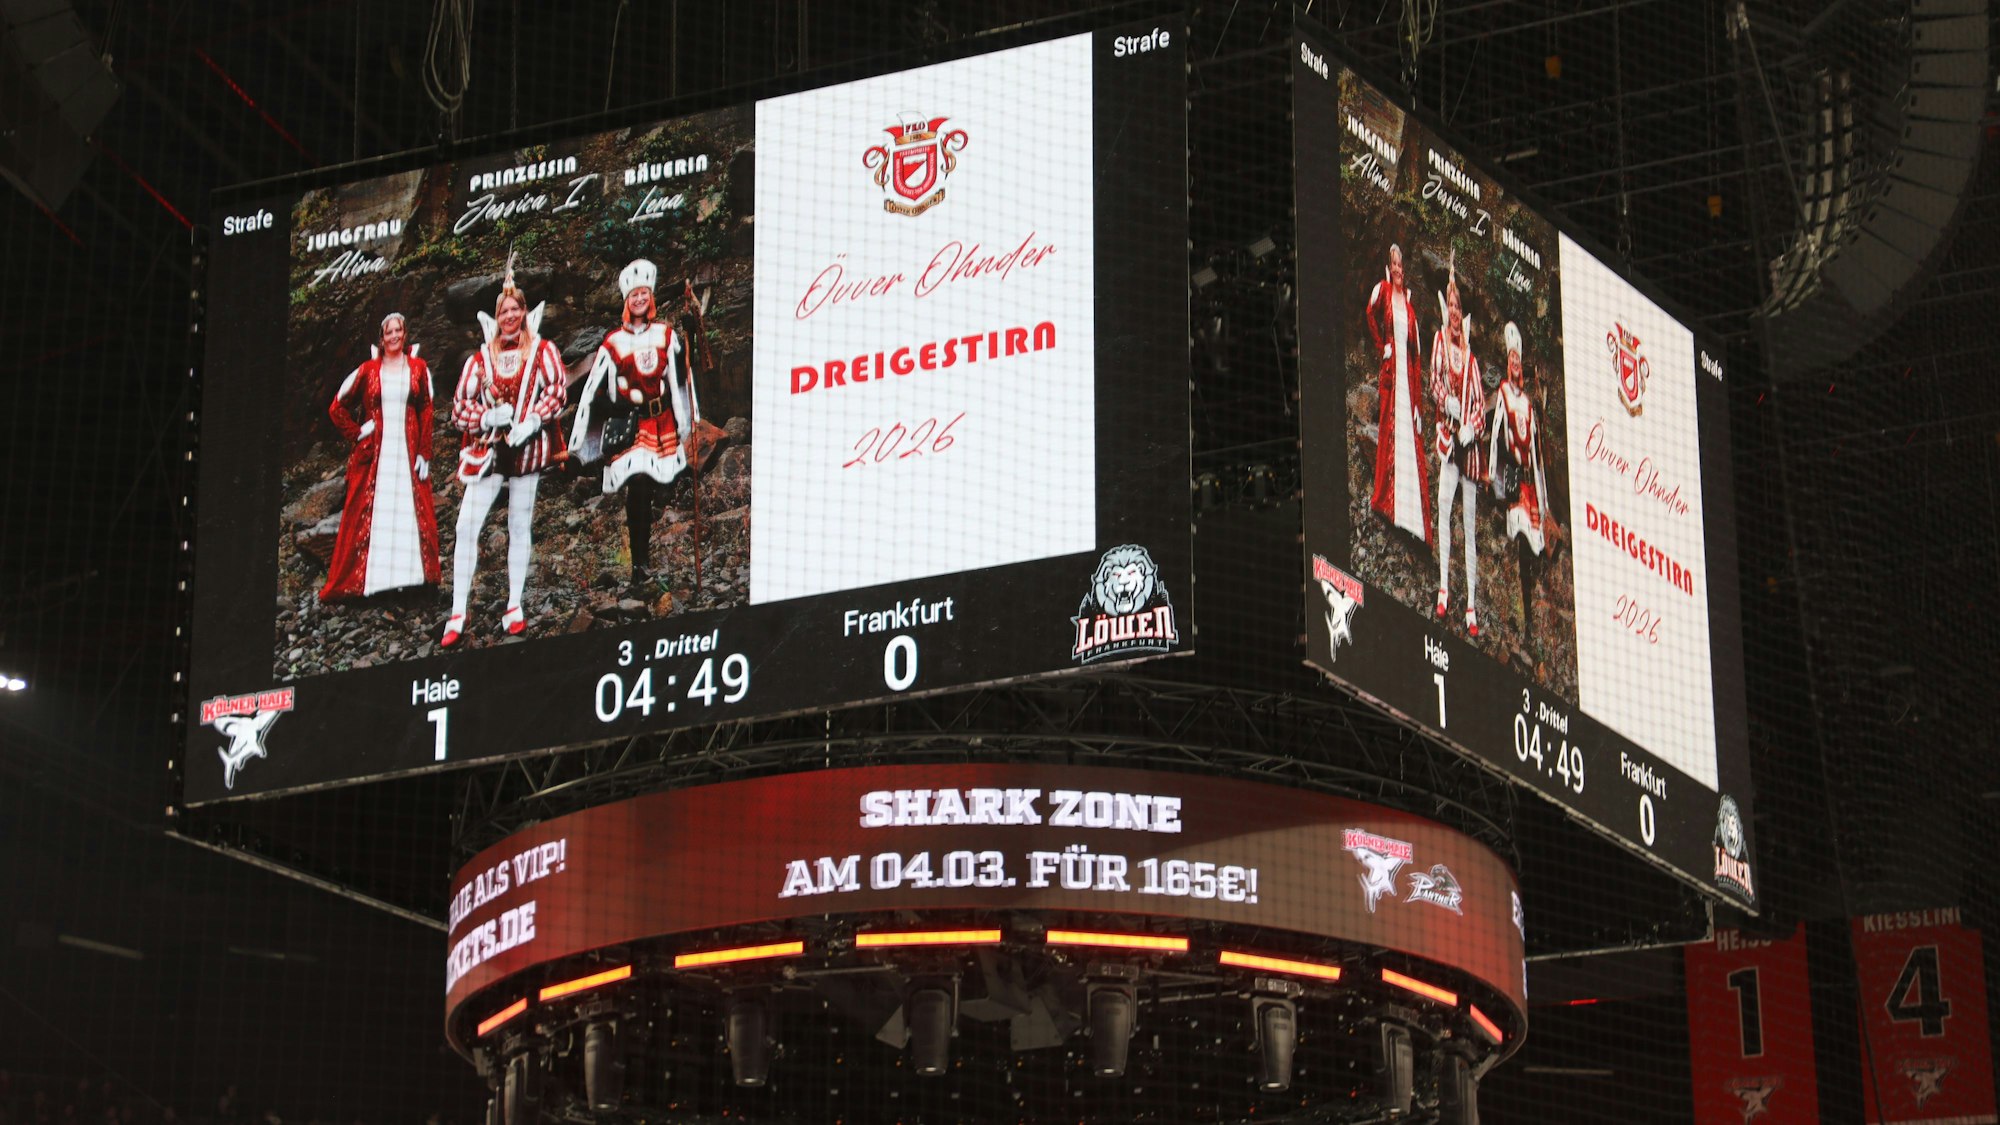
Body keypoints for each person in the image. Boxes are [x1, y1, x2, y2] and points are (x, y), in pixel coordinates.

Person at [443, 259, 566, 646]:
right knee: (466, 525)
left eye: (516, 309)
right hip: (488, 451)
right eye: (504, 311)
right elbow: (459, 407)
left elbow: (557, 390)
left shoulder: (542, 350)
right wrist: (487, 415)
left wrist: (533, 421)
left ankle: (514, 605)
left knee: (518, 524)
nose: (510, 315)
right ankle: (458, 611)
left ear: (525, 313)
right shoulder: (480, 359)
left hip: (527, 451)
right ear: (496, 318)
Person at [569, 258, 701, 594]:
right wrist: (584, 437)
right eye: (634, 295)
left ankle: (644, 560)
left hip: (662, 420)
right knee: (638, 484)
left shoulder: (665, 334)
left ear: (650, 297)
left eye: (644, 293)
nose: (639, 299)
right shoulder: (613, 342)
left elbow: (681, 376)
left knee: (651, 489)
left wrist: (689, 336)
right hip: (632, 423)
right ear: (627, 301)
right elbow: (592, 389)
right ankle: (639, 565)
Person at [317, 313, 440, 601]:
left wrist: (424, 451)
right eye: (389, 332)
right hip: (378, 457)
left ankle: (412, 580)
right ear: (381, 338)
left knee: (407, 511)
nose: (394, 336)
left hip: (407, 455)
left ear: (405, 334)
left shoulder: (418, 368)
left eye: (399, 330)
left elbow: (426, 408)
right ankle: (375, 584)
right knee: (380, 512)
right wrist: (358, 432)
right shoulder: (368, 370)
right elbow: (337, 407)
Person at [1488, 321, 1556, 645]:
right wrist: (1491, 470)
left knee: (1532, 547)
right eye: (1511, 360)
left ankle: (1529, 618)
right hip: (1511, 473)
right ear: (1507, 362)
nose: (1515, 365)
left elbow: (1537, 457)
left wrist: (1544, 507)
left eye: (1519, 361)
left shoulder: (1528, 403)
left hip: (1528, 481)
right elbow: (1497, 431)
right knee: (1515, 537)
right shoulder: (1503, 391)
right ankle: (1516, 608)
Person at [1430, 258, 1487, 636]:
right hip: (1448, 442)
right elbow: (1433, 380)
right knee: (1443, 511)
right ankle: (1444, 589)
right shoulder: (1439, 342)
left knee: (1468, 524)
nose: (1453, 313)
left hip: (1467, 449)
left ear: (1462, 316)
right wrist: (1445, 402)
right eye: (1449, 307)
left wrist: (1472, 426)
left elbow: (1481, 407)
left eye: (1458, 308)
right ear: (1444, 311)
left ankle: (1470, 606)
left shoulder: (1471, 359)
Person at [1364, 244, 1432, 543]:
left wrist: (1418, 402)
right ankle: (1389, 505)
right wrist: (1383, 347)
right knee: (1391, 435)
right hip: (1393, 374)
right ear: (1387, 268)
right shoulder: (1384, 291)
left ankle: (1413, 520)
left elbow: (1417, 357)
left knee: (1408, 438)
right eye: (1392, 263)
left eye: (1400, 264)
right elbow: (1369, 313)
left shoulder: (1410, 306)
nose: (1397, 268)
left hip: (1408, 379)